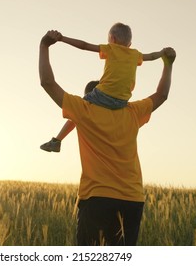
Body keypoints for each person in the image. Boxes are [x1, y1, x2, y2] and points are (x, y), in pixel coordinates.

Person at [38, 30, 176, 245]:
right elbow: (162, 95)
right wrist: (168, 64)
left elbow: (47, 82)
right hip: (132, 200)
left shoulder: (83, 110)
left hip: (96, 198)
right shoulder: (132, 112)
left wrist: (44, 46)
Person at [41, 22, 164, 152]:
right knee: (80, 110)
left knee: (80, 108)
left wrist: (62, 38)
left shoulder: (111, 49)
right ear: (130, 45)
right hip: (122, 102)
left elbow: (84, 45)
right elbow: (151, 56)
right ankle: (57, 141)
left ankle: (57, 140)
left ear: (112, 39)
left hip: (103, 95)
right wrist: (162, 53)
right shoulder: (135, 55)